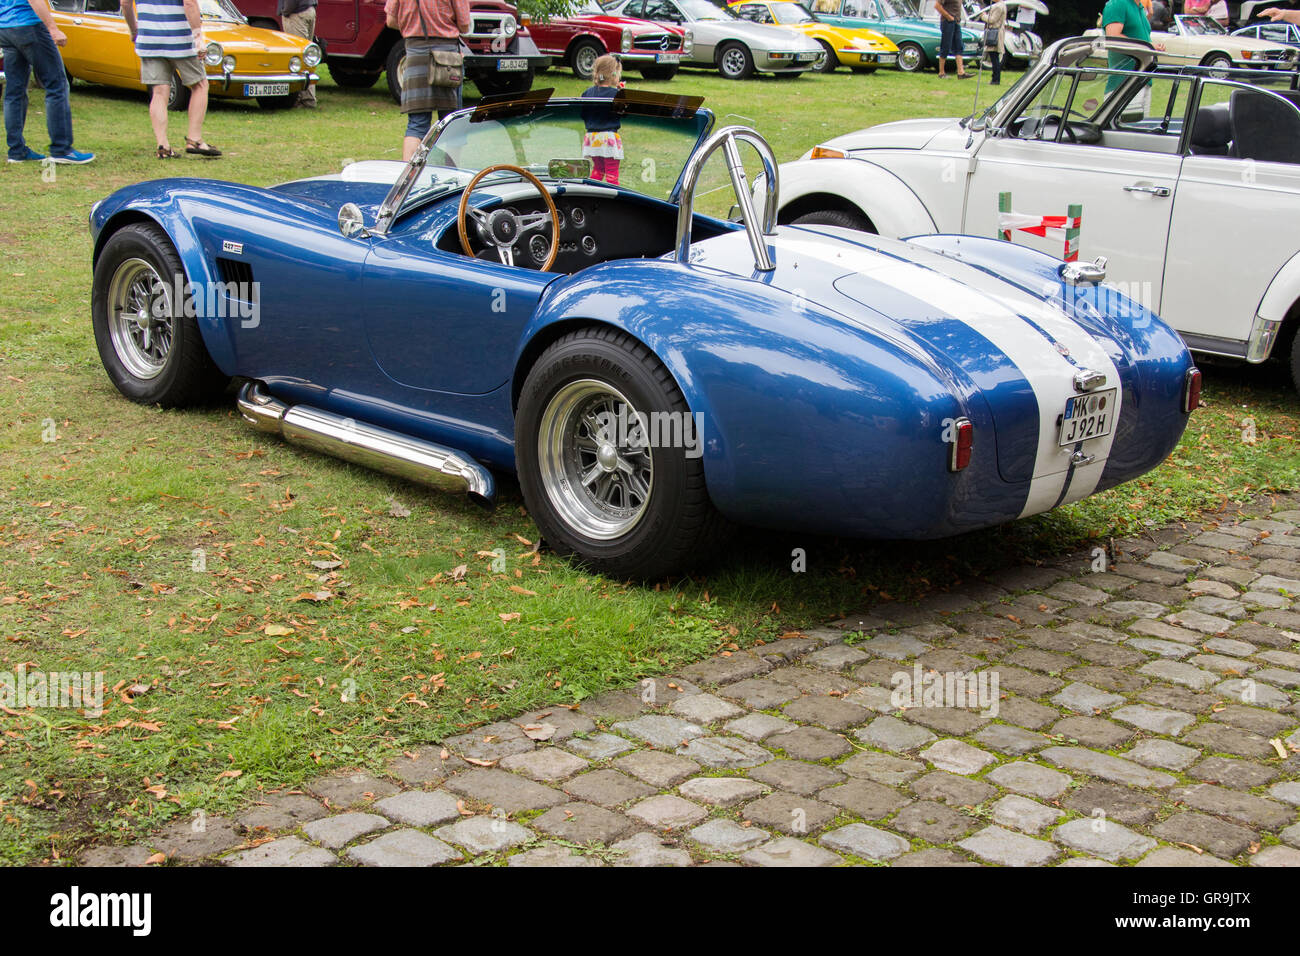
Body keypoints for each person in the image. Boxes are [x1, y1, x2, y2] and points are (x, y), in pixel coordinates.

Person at [122, 0, 221, 158]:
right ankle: (194, 139)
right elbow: (189, 3)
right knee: (200, 85)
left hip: (150, 39)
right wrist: (198, 37)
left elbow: (125, 3)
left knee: (159, 92)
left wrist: (134, 30)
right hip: (181, 40)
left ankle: (163, 145)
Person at [0, 0, 94, 163]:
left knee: (14, 91)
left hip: (6, 28)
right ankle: (61, 149)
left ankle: (16, 151)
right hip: (30, 24)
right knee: (56, 84)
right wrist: (53, 29)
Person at [385, 0, 471, 162]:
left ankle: (409, 180)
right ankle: (451, 177)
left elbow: (391, 20)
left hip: (415, 56)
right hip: (447, 60)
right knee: (452, 123)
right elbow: (465, 25)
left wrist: (412, 26)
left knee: (416, 125)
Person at [1101, 0, 1162, 96]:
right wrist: (1147, 46)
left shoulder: (1140, 7)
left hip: (1143, 79)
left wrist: (1153, 47)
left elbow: (1138, 38)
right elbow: (1113, 37)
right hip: (1124, 85)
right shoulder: (1117, 3)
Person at [581, 54, 622, 185]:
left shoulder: (587, 93)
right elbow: (623, 113)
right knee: (611, 173)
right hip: (608, 138)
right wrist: (623, 95)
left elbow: (583, 113)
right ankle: (614, 196)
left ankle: (591, 190)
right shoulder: (616, 94)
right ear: (614, 74)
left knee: (598, 169)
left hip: (592, 138)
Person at [279, 0, 317, 108]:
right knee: (307, 57)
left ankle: (304, 99)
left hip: (296, 13)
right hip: (309, 9)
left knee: (298, 56)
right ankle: (308, 98)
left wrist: (285, 11)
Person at [934, 0, 969, 78]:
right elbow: (937, 6)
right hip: (947, 22)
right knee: (946, 46)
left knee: (959, 46)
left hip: (956, 22)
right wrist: (948, 17)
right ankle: (941, 73)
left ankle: (961, 72)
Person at [976, 0, 1006, 86]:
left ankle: (995, 79)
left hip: (995, 33)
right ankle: (995, 78)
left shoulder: (998, 6)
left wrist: (983, 16)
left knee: (994, 57)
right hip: (996, 32)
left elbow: (992, 20)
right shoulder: (1001, 5)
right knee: (994, 57)